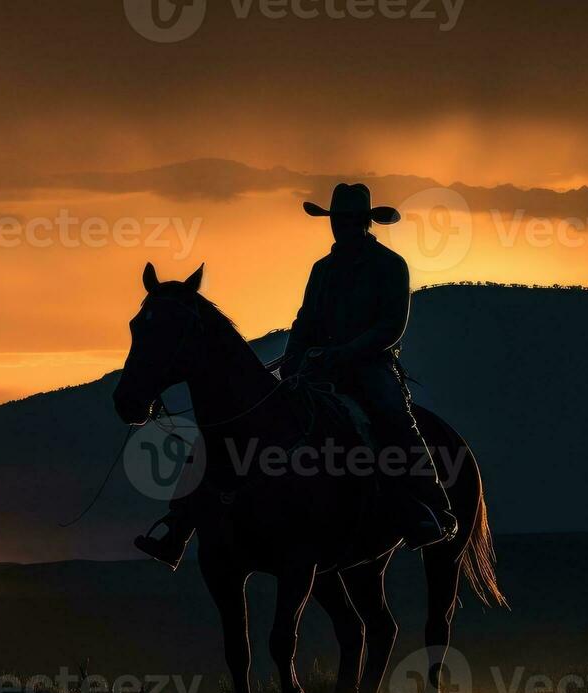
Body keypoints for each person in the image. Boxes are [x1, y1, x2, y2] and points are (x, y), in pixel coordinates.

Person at [134, 182, 458, 569]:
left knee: (395, 418)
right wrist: (294, 357)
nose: (343, 227)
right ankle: (179, 523)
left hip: (369, 367)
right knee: (234, 425)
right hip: (315, 368)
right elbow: (304, 320)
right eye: (338, 220)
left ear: (365, 222)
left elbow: (390, 327)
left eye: (350, 220)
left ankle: (431, 507)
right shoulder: (322, 270)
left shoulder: (390, 265)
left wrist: (341, 353)